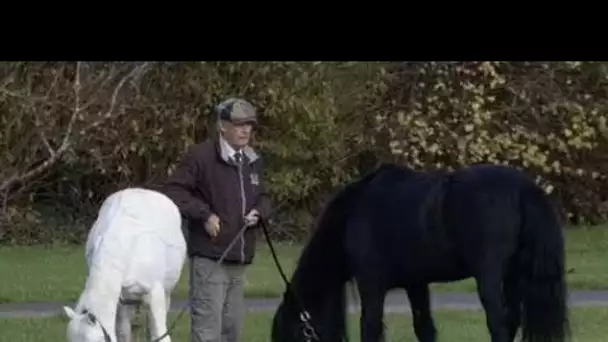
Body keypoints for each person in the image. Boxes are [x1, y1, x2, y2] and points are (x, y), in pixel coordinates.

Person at [161, 97, 272, 342]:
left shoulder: (253, 160)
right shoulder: (201, 156)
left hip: (239, 259)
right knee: (207, 332)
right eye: (239, 124)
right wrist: (205, 214)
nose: (246, 130)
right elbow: (174, 190)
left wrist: (260, 211)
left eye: (249, 125)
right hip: (210, 259)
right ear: (222, 126)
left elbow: (264, 196)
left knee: (231, 331)